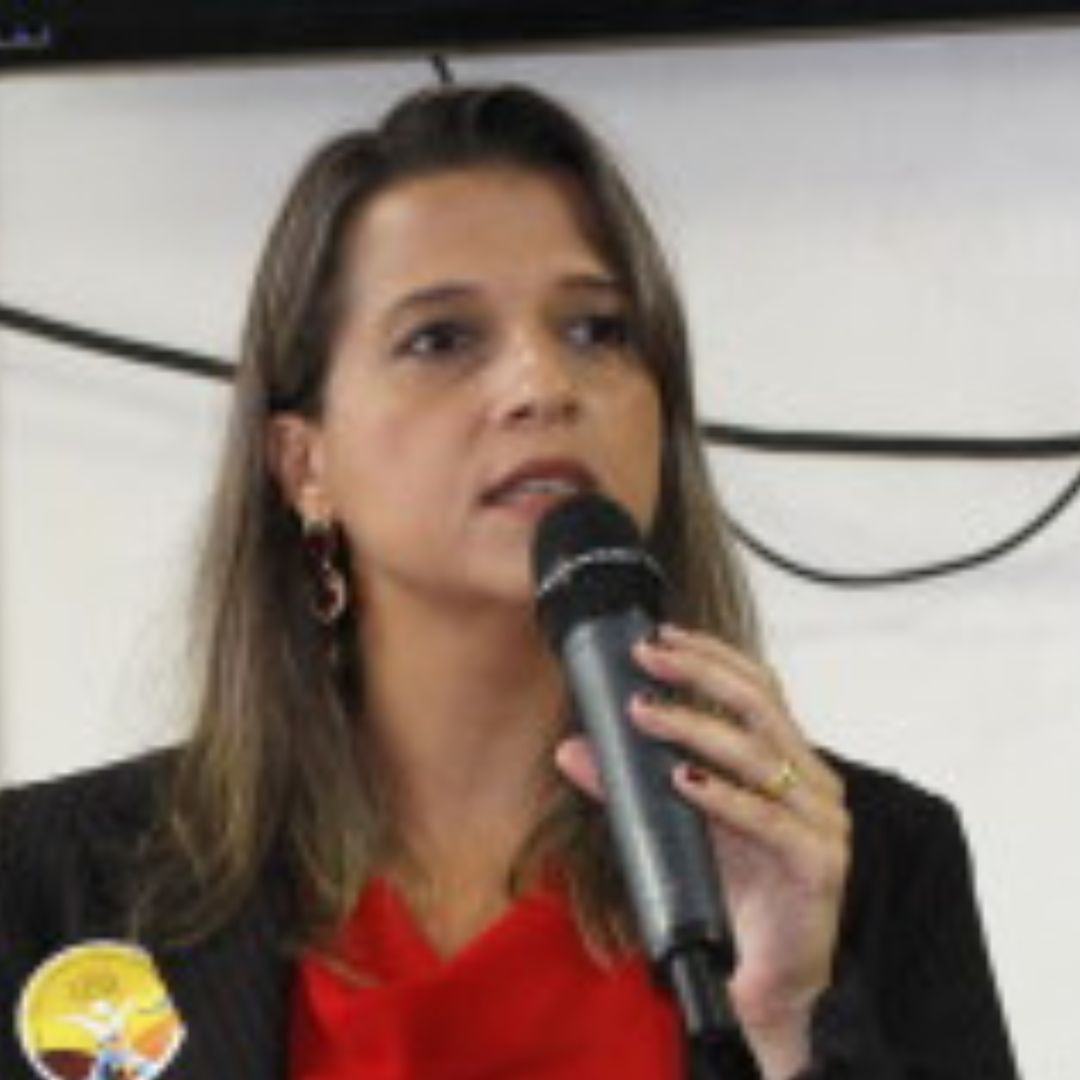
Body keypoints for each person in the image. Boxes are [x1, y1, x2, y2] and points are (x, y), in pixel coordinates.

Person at [0, 83, 1018, 1080]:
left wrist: (787, 1023)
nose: (542, 385)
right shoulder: (49, 882)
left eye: (598, 331)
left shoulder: (868, 870)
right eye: (441, 339)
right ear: (305, 463)